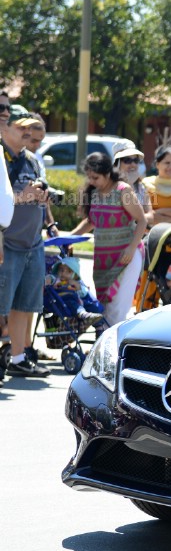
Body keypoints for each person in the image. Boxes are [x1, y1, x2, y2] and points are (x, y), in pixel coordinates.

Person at [1, 112, 55, 377]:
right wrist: (23, 197)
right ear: (5, 128)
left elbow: (36, 195)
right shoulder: (1, 158)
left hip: (32, 242)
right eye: (20, 127)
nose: (27, 133)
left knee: (23, 304)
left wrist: (43, 198)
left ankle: (18, 357)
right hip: (7, 243)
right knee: (2, 305)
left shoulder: (32, 160)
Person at [71, 152, 148, 328]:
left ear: (107, 173)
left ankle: (114, 349)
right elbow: (91, 221)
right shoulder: (95, 193)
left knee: (117, 310)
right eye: (89, 177)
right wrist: (68, 238)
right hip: (103, 260)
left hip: (126, 258)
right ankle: (104, 347)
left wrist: (131, 248)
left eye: (95, 177)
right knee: (103, 308)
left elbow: (142, 220)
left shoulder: (123, 190)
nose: (91, 181)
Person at [49, 256, 104, 326]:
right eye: (61, 270)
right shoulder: (56, 280)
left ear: (75, 275)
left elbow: (84, 294)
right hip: (64, 302)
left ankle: (99, 327)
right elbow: (50, 279)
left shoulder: (76, 283)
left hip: (80, 302)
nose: (63, 273)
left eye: (68, 271)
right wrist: (51, 282)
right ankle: (83, 314)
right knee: (73, 303)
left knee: (94, 307)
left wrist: (78, 286)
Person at [111, 140, 150, 216]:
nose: (133, 164)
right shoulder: (109, 186)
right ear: (117, 163)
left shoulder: (141, 186)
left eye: (136, 160)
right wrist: (129, 184)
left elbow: (151, 215)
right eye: (127, 160)